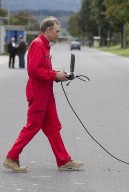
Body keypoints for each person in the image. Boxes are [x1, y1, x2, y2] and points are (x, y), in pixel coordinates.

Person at [3, 16, 83, 173]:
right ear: (48, 30)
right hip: (38, 93)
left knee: (53, 127)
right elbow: (33, 71)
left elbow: (43, 69)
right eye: (57, 31)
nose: (58, 34)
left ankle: (63, 160)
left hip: (46, 93)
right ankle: (11, 158)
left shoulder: (45, 45)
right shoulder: (38, 44)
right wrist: (54, 75)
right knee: (32, 126)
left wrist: (58, 74)